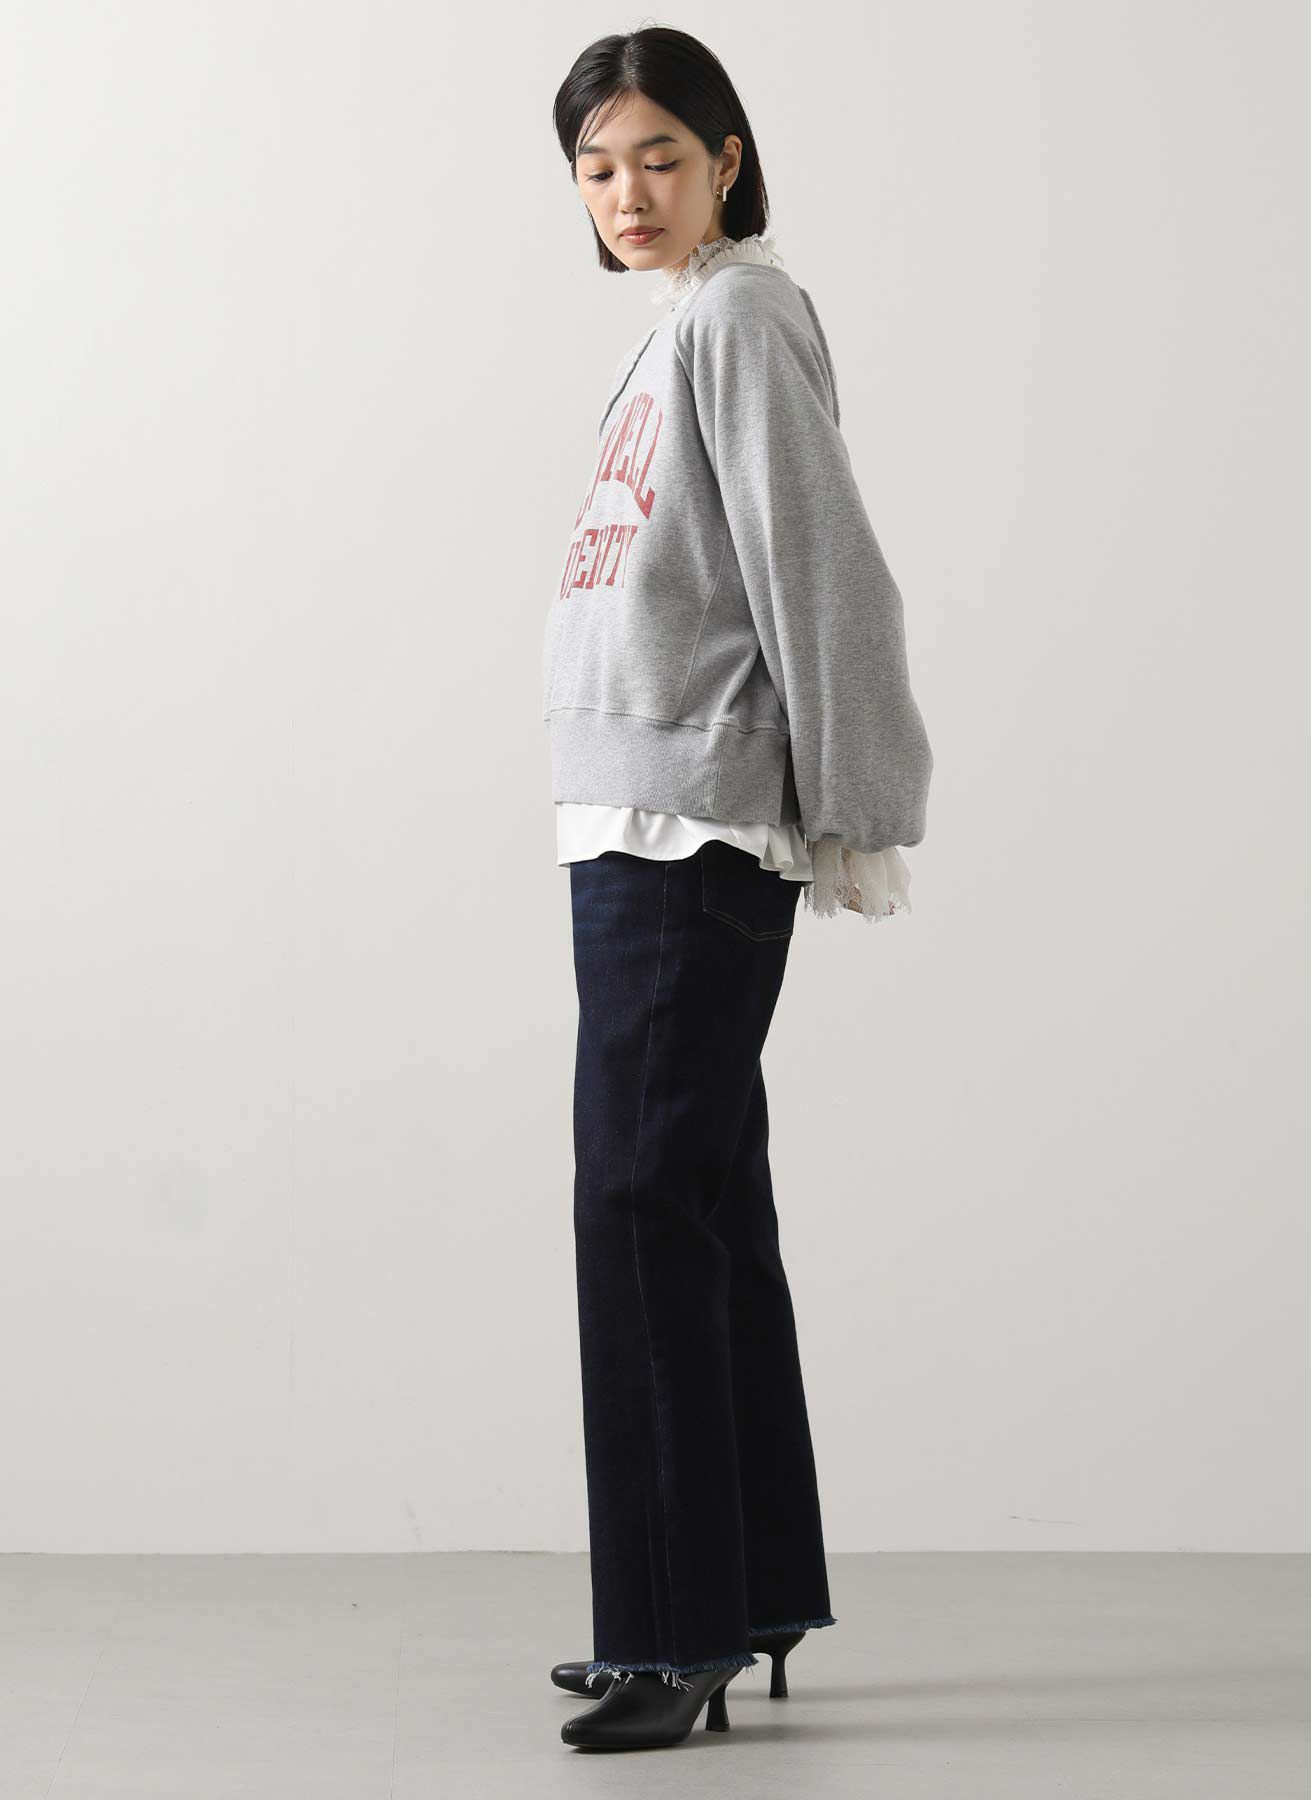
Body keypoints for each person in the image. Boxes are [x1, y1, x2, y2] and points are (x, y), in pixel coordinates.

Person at [544, 25, 934, 1752]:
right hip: (637, 816)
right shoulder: (677, 326)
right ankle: (745, 1592)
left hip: (689, 828)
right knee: (701, 1206)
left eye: (659, 157)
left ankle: (670, 1634)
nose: (627, 193)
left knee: (638, 1209)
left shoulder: (741, 317)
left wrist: (856, 803)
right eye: (596, 167)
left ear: (728, 158)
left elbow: (820, 562)